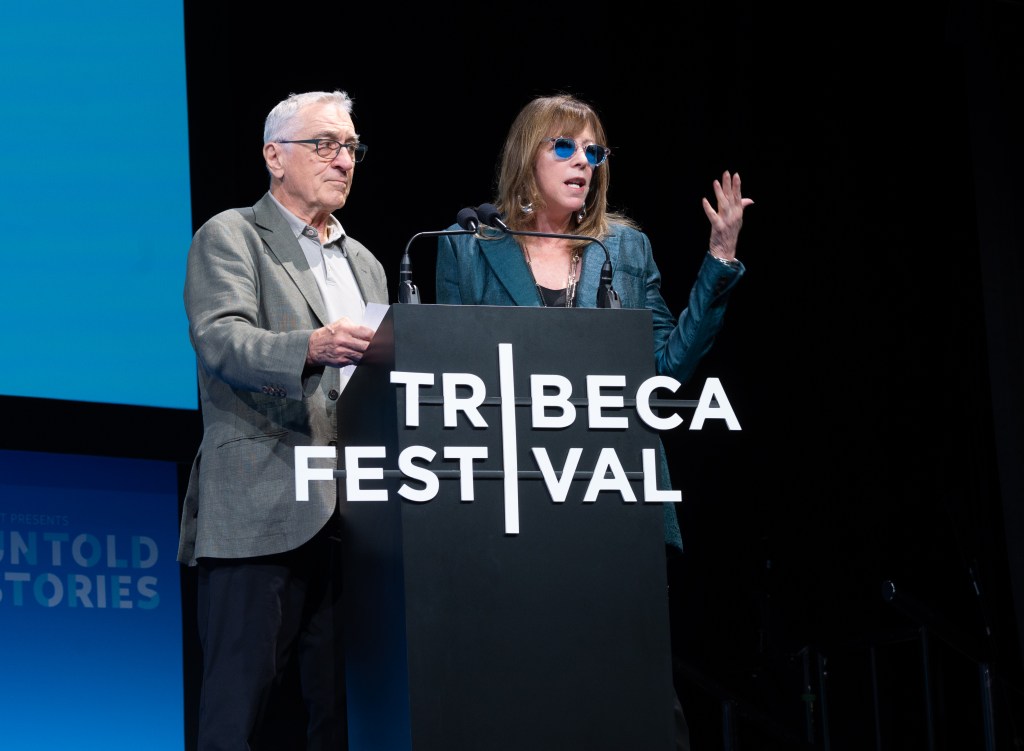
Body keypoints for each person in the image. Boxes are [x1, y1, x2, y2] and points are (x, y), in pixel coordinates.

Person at [435, 93, 753, 751]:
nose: (583, 162)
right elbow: (450, 380)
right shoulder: (468, 247)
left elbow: (663, 373)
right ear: (530, 153)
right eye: (565, 147)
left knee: (636, 697)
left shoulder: (625, 249)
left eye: (594, 152)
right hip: (514, 498)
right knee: (526, 694)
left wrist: (718, 264)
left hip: (615, 496)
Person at [177, 89, 388, 751]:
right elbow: (221, 340)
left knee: (341, 721)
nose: (343, 159)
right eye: (324, 144)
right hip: (261, 511)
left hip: (356, 525)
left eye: (351, 146)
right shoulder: (232, 235)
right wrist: (309, 346)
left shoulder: (368, 265)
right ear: (275, 155)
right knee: (235, 720)